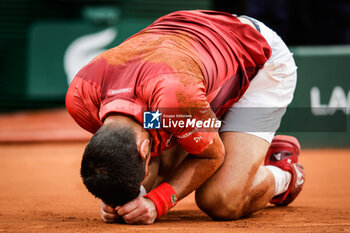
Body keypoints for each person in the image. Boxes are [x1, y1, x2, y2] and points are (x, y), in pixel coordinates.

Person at [66, 10, 305, 224]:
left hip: (257, 60)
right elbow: (133, 152)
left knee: (222, 200)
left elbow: (211, 156)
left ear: (144, 147)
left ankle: (284, 174)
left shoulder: (173, 100)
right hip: (190, 62)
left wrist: (156, 202)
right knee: (150, 180)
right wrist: (114, 201)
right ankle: (238, 147)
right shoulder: (80, 98)